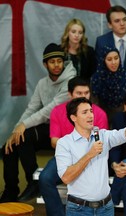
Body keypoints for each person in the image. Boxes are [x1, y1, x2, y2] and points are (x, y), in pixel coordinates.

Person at [55, 97, 126, 216]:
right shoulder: (64, 143)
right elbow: (66, 178)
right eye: (85, 112)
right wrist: (89, 154)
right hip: (79, 209)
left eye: (91, 111)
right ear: (73, 117)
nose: (90, 115)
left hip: (105, 207)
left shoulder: (102, 135)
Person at [0, 43, 76, 203]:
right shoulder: (43, 83)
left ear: (64, 61)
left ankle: (34, 182)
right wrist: (15, 131)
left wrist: (23, 126)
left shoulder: (70, 81)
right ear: (45, 64)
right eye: (52, 62)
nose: (56, 65)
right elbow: (31, 108)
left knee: (25, 135)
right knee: (10, 145)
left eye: (59, 61)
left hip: (65, 132)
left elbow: (48, 111)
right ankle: (11, 190)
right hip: (47, 130)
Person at [38, 76, 108, 216]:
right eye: (79, 93)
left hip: (92, 156)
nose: (84, 97)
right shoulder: (58, 111)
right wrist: (72, 146)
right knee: (45, 178)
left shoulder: (98, 113)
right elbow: (54, 141)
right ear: (69, 94)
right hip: (65, 155)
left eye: (86, 93)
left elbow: (101, 142)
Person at [91, 46, 126, 124]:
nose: (114, 62)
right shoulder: (96, 79)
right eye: (109, 59)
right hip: (102, 118)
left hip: (124, 117)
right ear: (103, 61)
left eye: (116, 58)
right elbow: (94, 104)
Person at [95, 5, 126, 72]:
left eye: (124, 19)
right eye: (117, 21)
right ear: (110, 25)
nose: (122, 23)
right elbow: (99, 68)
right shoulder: (101, 42)